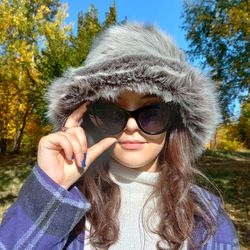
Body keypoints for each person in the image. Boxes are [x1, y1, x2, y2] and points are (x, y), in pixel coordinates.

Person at [0, 22, 240, 250]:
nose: (132, 127)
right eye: (110, 112)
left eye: (152, 112)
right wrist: (51, 191)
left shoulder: (208, 219)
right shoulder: (65, 200)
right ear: (89, 119)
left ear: (176, 120)